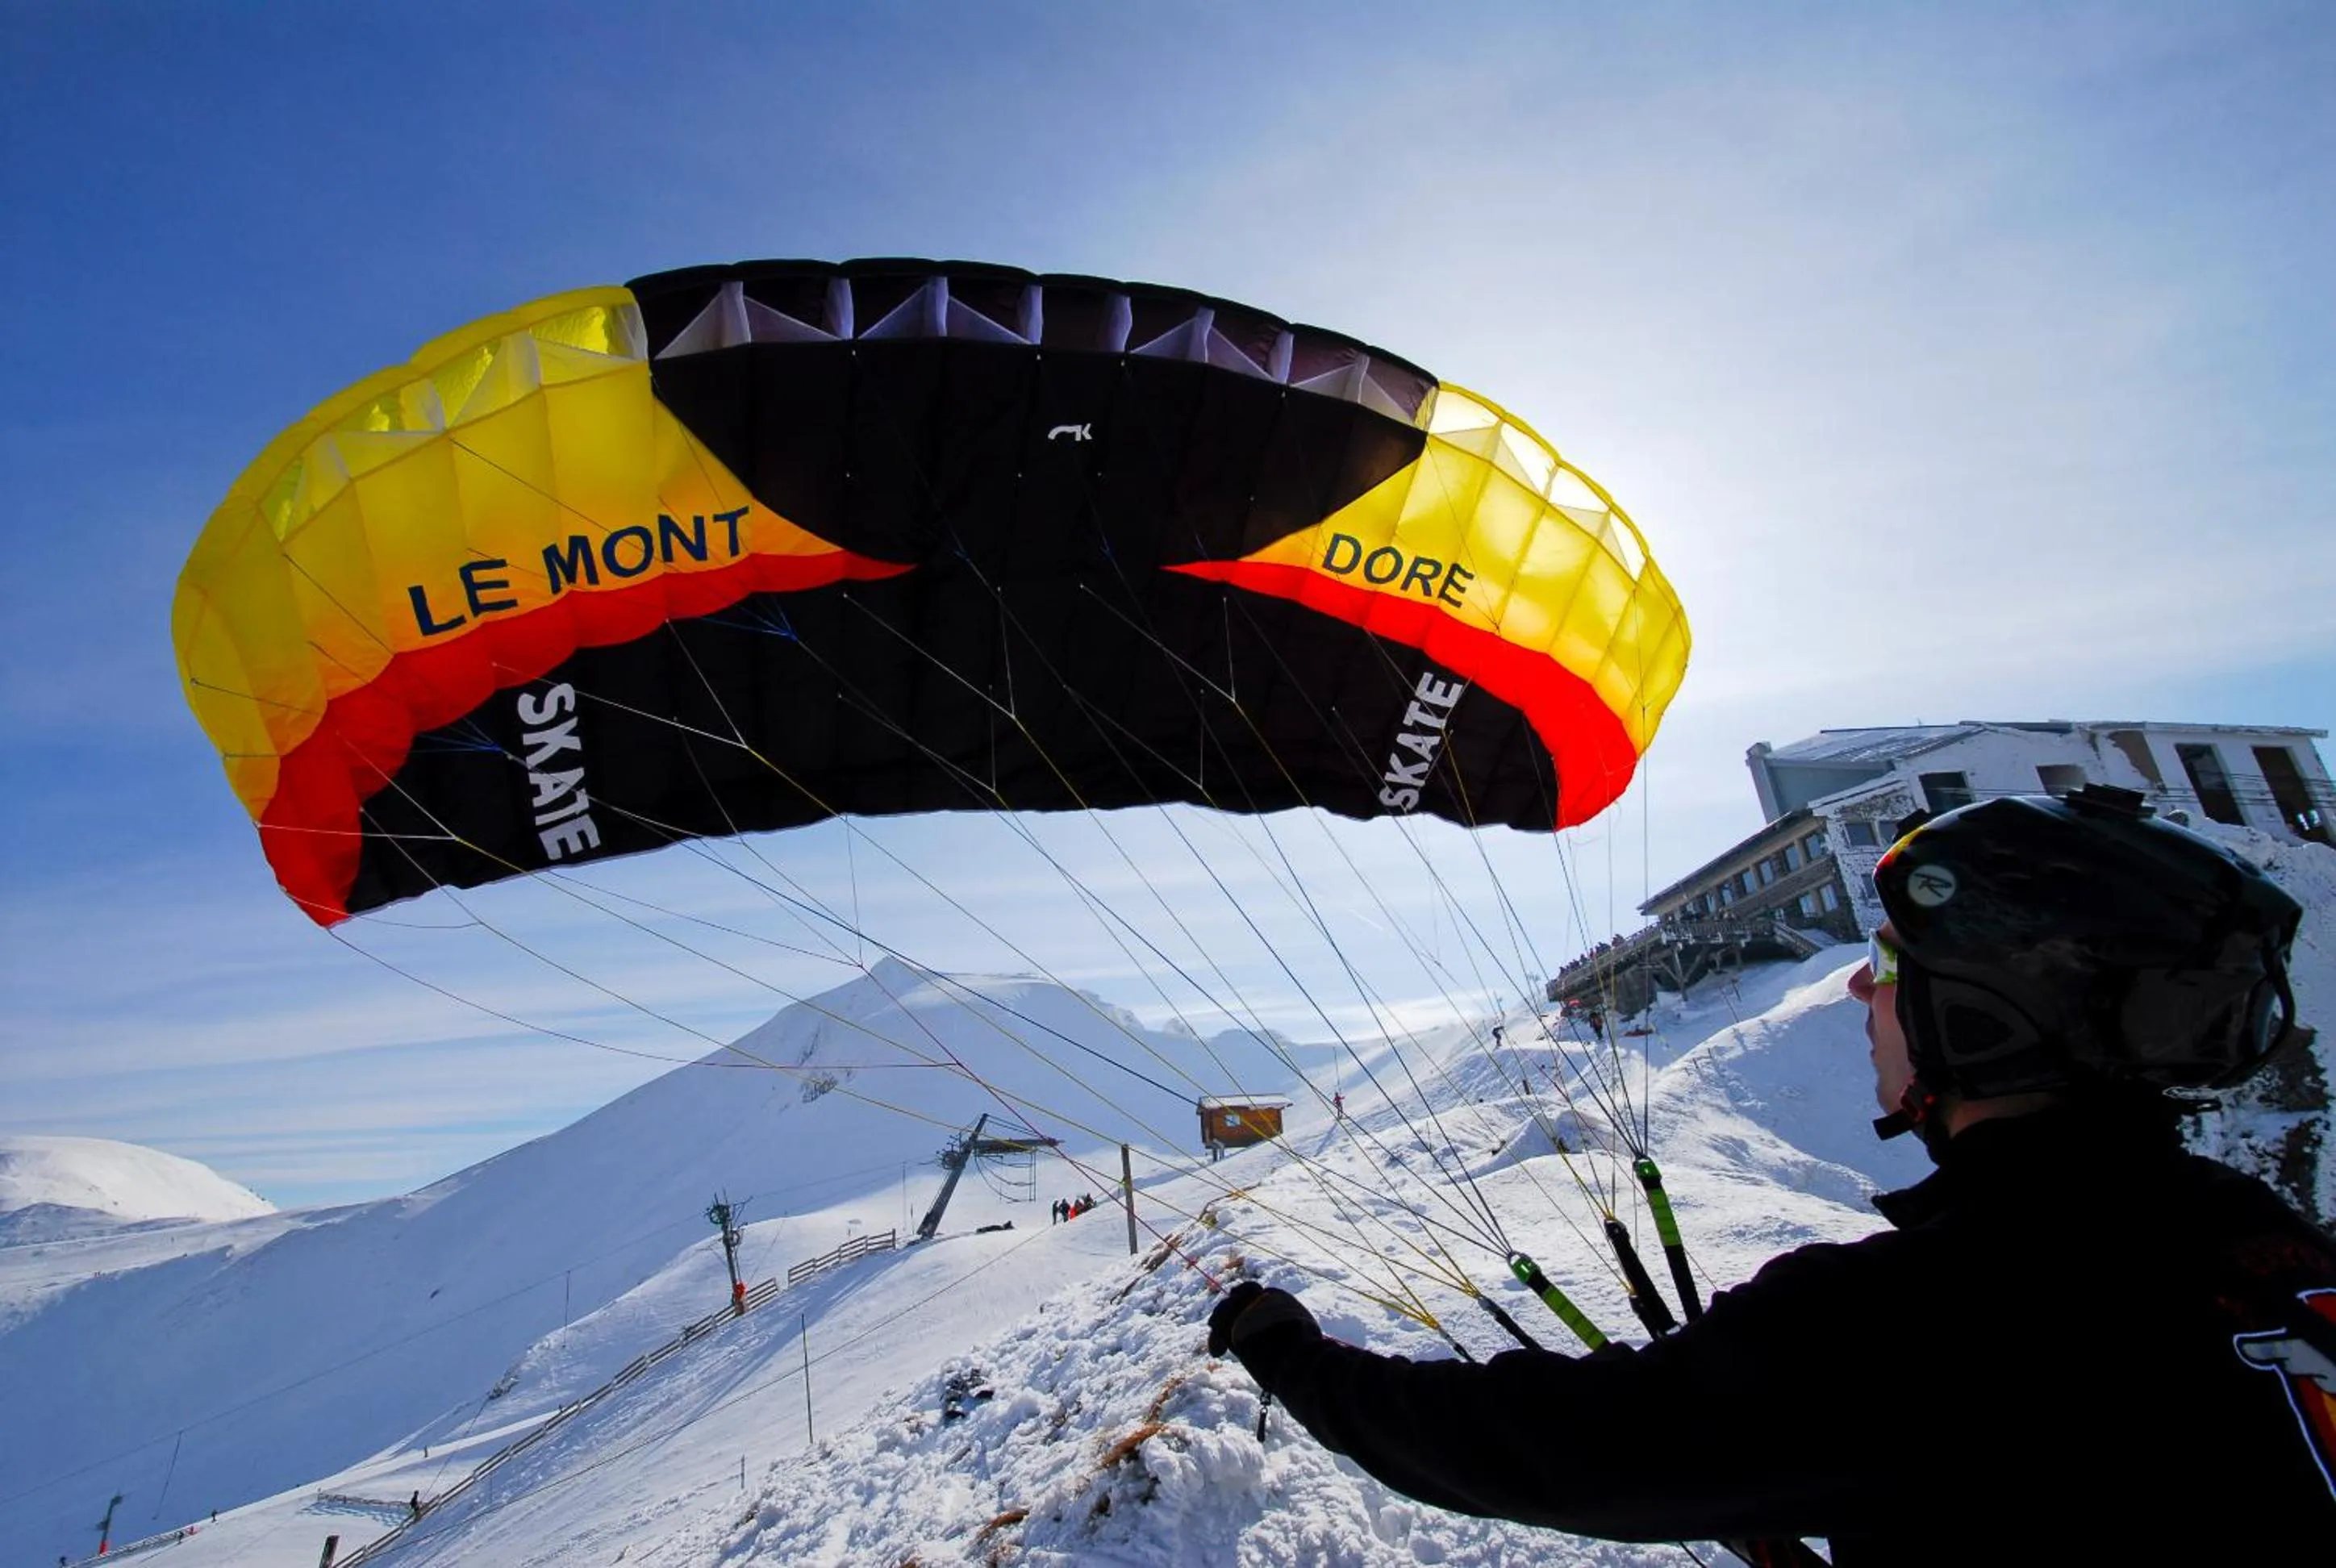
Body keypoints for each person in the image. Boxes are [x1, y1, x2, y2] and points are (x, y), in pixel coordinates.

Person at [1208, 787, 2336, 1564]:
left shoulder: (1910, 1325)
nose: (1858, 992)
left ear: (1993, 1014)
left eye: (1893, 964)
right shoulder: (2277, 1249)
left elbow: (1552, 1451)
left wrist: (1295, 1362)